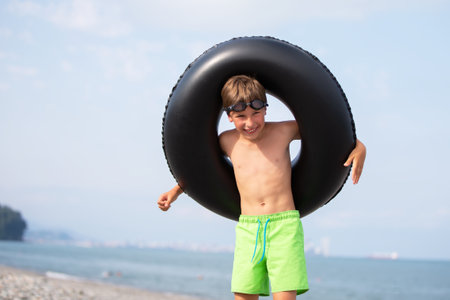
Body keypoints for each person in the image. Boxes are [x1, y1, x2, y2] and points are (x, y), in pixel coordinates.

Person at [158, 75, 367, 300]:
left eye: (256, 114)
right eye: (241, 116)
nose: (250, 123)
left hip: (284, 227)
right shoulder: (226, 141)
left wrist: (360, 147)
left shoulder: (284, 131)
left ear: (266, 109)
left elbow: (329, 133)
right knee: (243, 295)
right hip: (248, 229)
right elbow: (201, 170)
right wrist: (176, 191)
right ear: (229, 116)